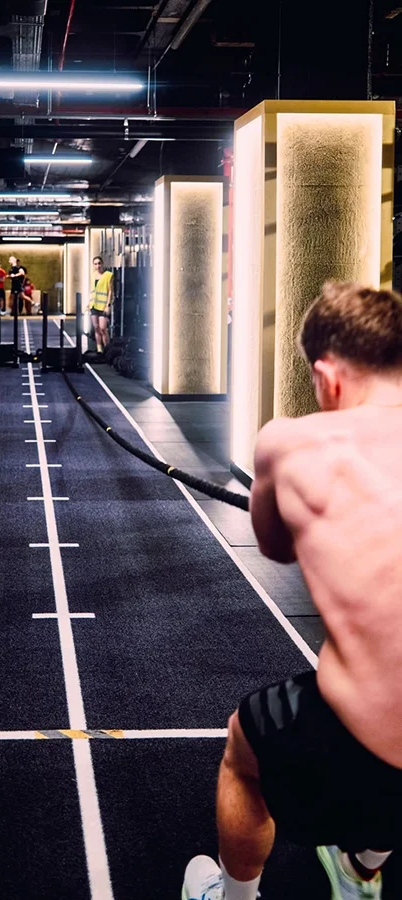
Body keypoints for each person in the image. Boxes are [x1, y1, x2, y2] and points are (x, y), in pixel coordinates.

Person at [182, 281, 402, 900]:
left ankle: (236, 897)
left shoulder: (289, 440)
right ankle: (363, 867)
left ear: (328, 376)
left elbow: (275, 547)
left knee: (243, 749)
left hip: (371, 726)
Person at [89, 256, 113, 354]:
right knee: (96, 328)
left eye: (99, 263)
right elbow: (92, 291)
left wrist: (108, 305)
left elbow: (111, 291)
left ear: (102, 264)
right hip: (94, 305)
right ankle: (99, 349)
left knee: (103, 328)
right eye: (95, 264)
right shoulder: (93, 275)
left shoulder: (108, 275)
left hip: (103, 306)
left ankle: (108, 349)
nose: (98, 266)